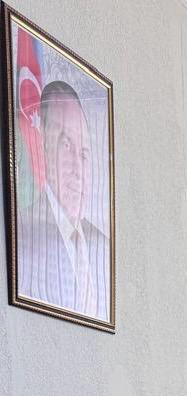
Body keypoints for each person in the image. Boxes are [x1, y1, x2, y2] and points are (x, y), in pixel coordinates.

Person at [16, 81, 110, 322]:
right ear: (43, 148)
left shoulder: (102, 245)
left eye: (84, 153)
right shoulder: (22, 233)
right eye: (66, 145)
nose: (78, 170)